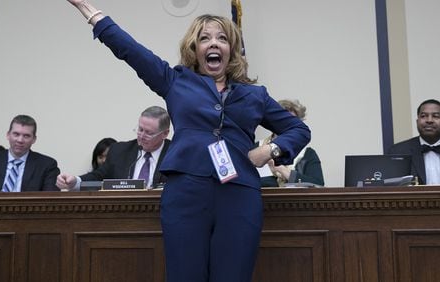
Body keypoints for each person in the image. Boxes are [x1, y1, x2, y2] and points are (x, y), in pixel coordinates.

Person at [64, 2, 311, 281]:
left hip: (239, 195)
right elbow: (132, 52)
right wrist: (93, 15)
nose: (213, 43)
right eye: (204, 38)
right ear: (194, 49)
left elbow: (299, 130)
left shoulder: (255, 95)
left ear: (232, 48)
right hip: (185, 193)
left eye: (221, 38)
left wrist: (270, 149)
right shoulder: (175, 81)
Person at [56, 106, 171, 190]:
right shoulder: (119, 150)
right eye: (140, 129)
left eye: (149, 133)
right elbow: (98, 176)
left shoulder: (176, 154)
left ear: (165, 134)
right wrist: (75, 181)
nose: (141, 136)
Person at [387, 99, 440, 185]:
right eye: (423, 116)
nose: (429, 120)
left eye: (436, 116)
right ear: (417, 122)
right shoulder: (398, 151)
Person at [0, 115, 60, 192]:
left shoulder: (47, 165)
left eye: (26, 136)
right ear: (8, 135)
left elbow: (50, 198)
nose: (20, 140)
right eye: (16, 134)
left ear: (34, 139)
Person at [259, 99, 324, 187]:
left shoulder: (307, 154)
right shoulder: (257, 148)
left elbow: (318, 185)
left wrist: (282, 170)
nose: (286, 125)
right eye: (282, 120)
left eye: (291, 121)